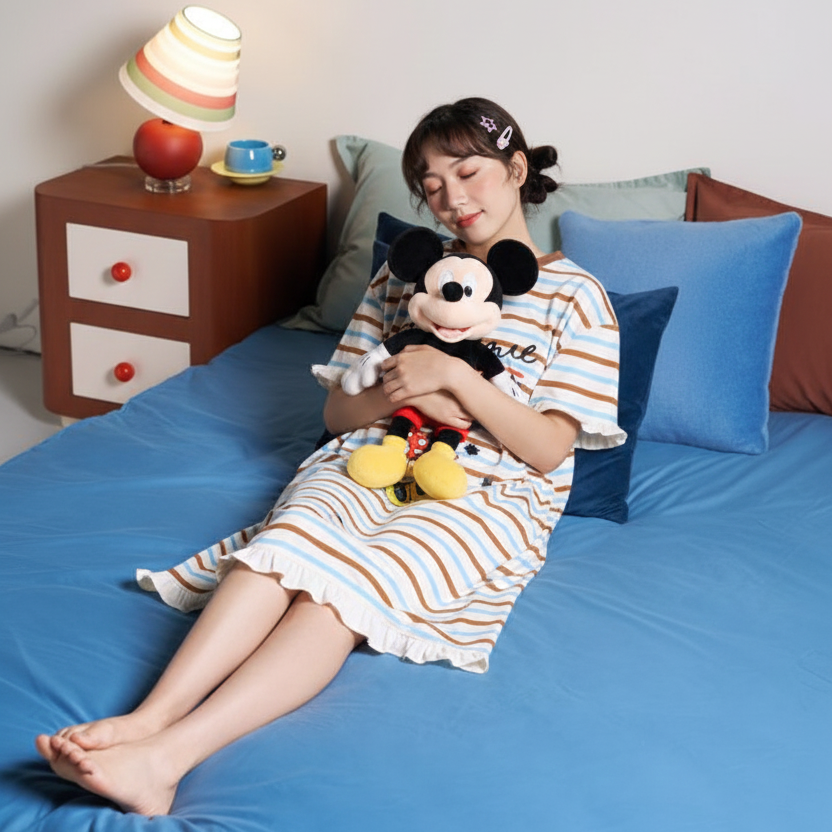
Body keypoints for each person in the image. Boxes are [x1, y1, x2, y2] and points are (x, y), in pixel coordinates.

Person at [35, 97, 625, 816]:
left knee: (337, 592)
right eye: (432, 185)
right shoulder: (406, 278)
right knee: (285, 546)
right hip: (371, 449)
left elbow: (548, 446)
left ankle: (166, 761)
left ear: (516, 168)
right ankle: (144, 721)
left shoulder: (578, 298)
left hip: (489, 490)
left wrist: (456, 378)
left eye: (468, 172)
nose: (452, 198)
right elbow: (337, 411)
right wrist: (400, 393)